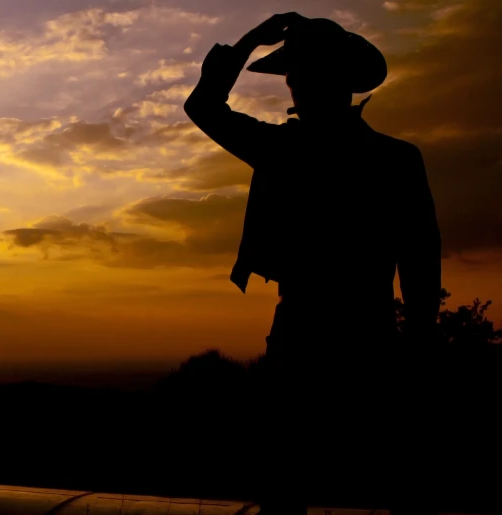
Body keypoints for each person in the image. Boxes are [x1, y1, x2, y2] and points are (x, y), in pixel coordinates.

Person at [184, 13, 442, 515]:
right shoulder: (396, 158)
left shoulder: (284, 149)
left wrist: (250, 40)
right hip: (371, 334)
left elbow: (203, 106)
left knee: (288, 483)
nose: (293, 83)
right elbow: (420, 265)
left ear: (317, 80)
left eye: (297, 72)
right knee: (393, 480)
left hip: (304, 333)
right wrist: (418, 349)